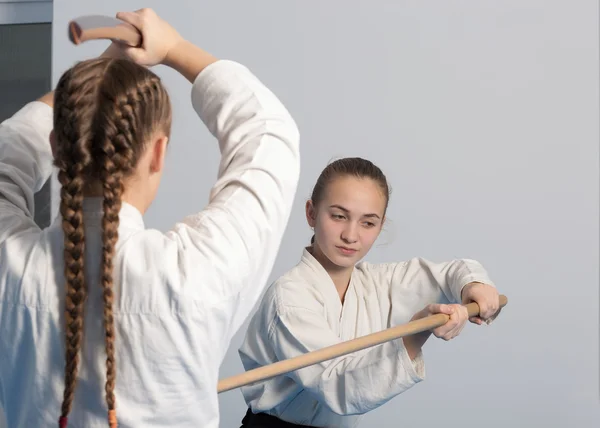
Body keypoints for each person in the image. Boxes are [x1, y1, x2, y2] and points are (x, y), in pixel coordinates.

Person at [0, 8, 300, 428]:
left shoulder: (9, 266)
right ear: (158, 153)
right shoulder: (199, 272)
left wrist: (102, 70)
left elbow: (7, 151)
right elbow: (267, 133)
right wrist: (173, 48)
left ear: (55, 145)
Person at [238, 157, 502, 428]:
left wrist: (474, 286)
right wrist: (416, 333)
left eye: (368, 222)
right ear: (311, 213)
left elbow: (452, 273)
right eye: (339, 216)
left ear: (380, 225)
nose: (351, 235)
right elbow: (339, 386)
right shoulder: (289, 299)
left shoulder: (378, 283)